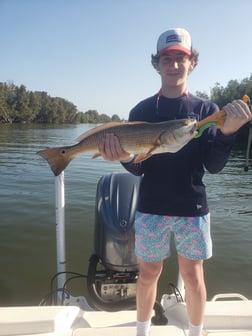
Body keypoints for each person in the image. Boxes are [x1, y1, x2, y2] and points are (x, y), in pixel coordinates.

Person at [98, 28, 251, 336]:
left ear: (192, 62)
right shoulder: (141, 111)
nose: (174, 64)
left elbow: (214, 166)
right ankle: (141, 331)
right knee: (147, 275)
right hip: (151, 205)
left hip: (192, 207)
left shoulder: (207, 111)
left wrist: (228, 133)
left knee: (193, 277)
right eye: (167, 58)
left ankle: (195, 333)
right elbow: (139, 170)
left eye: (181, 58)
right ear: (157, 64)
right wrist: (123, 157)